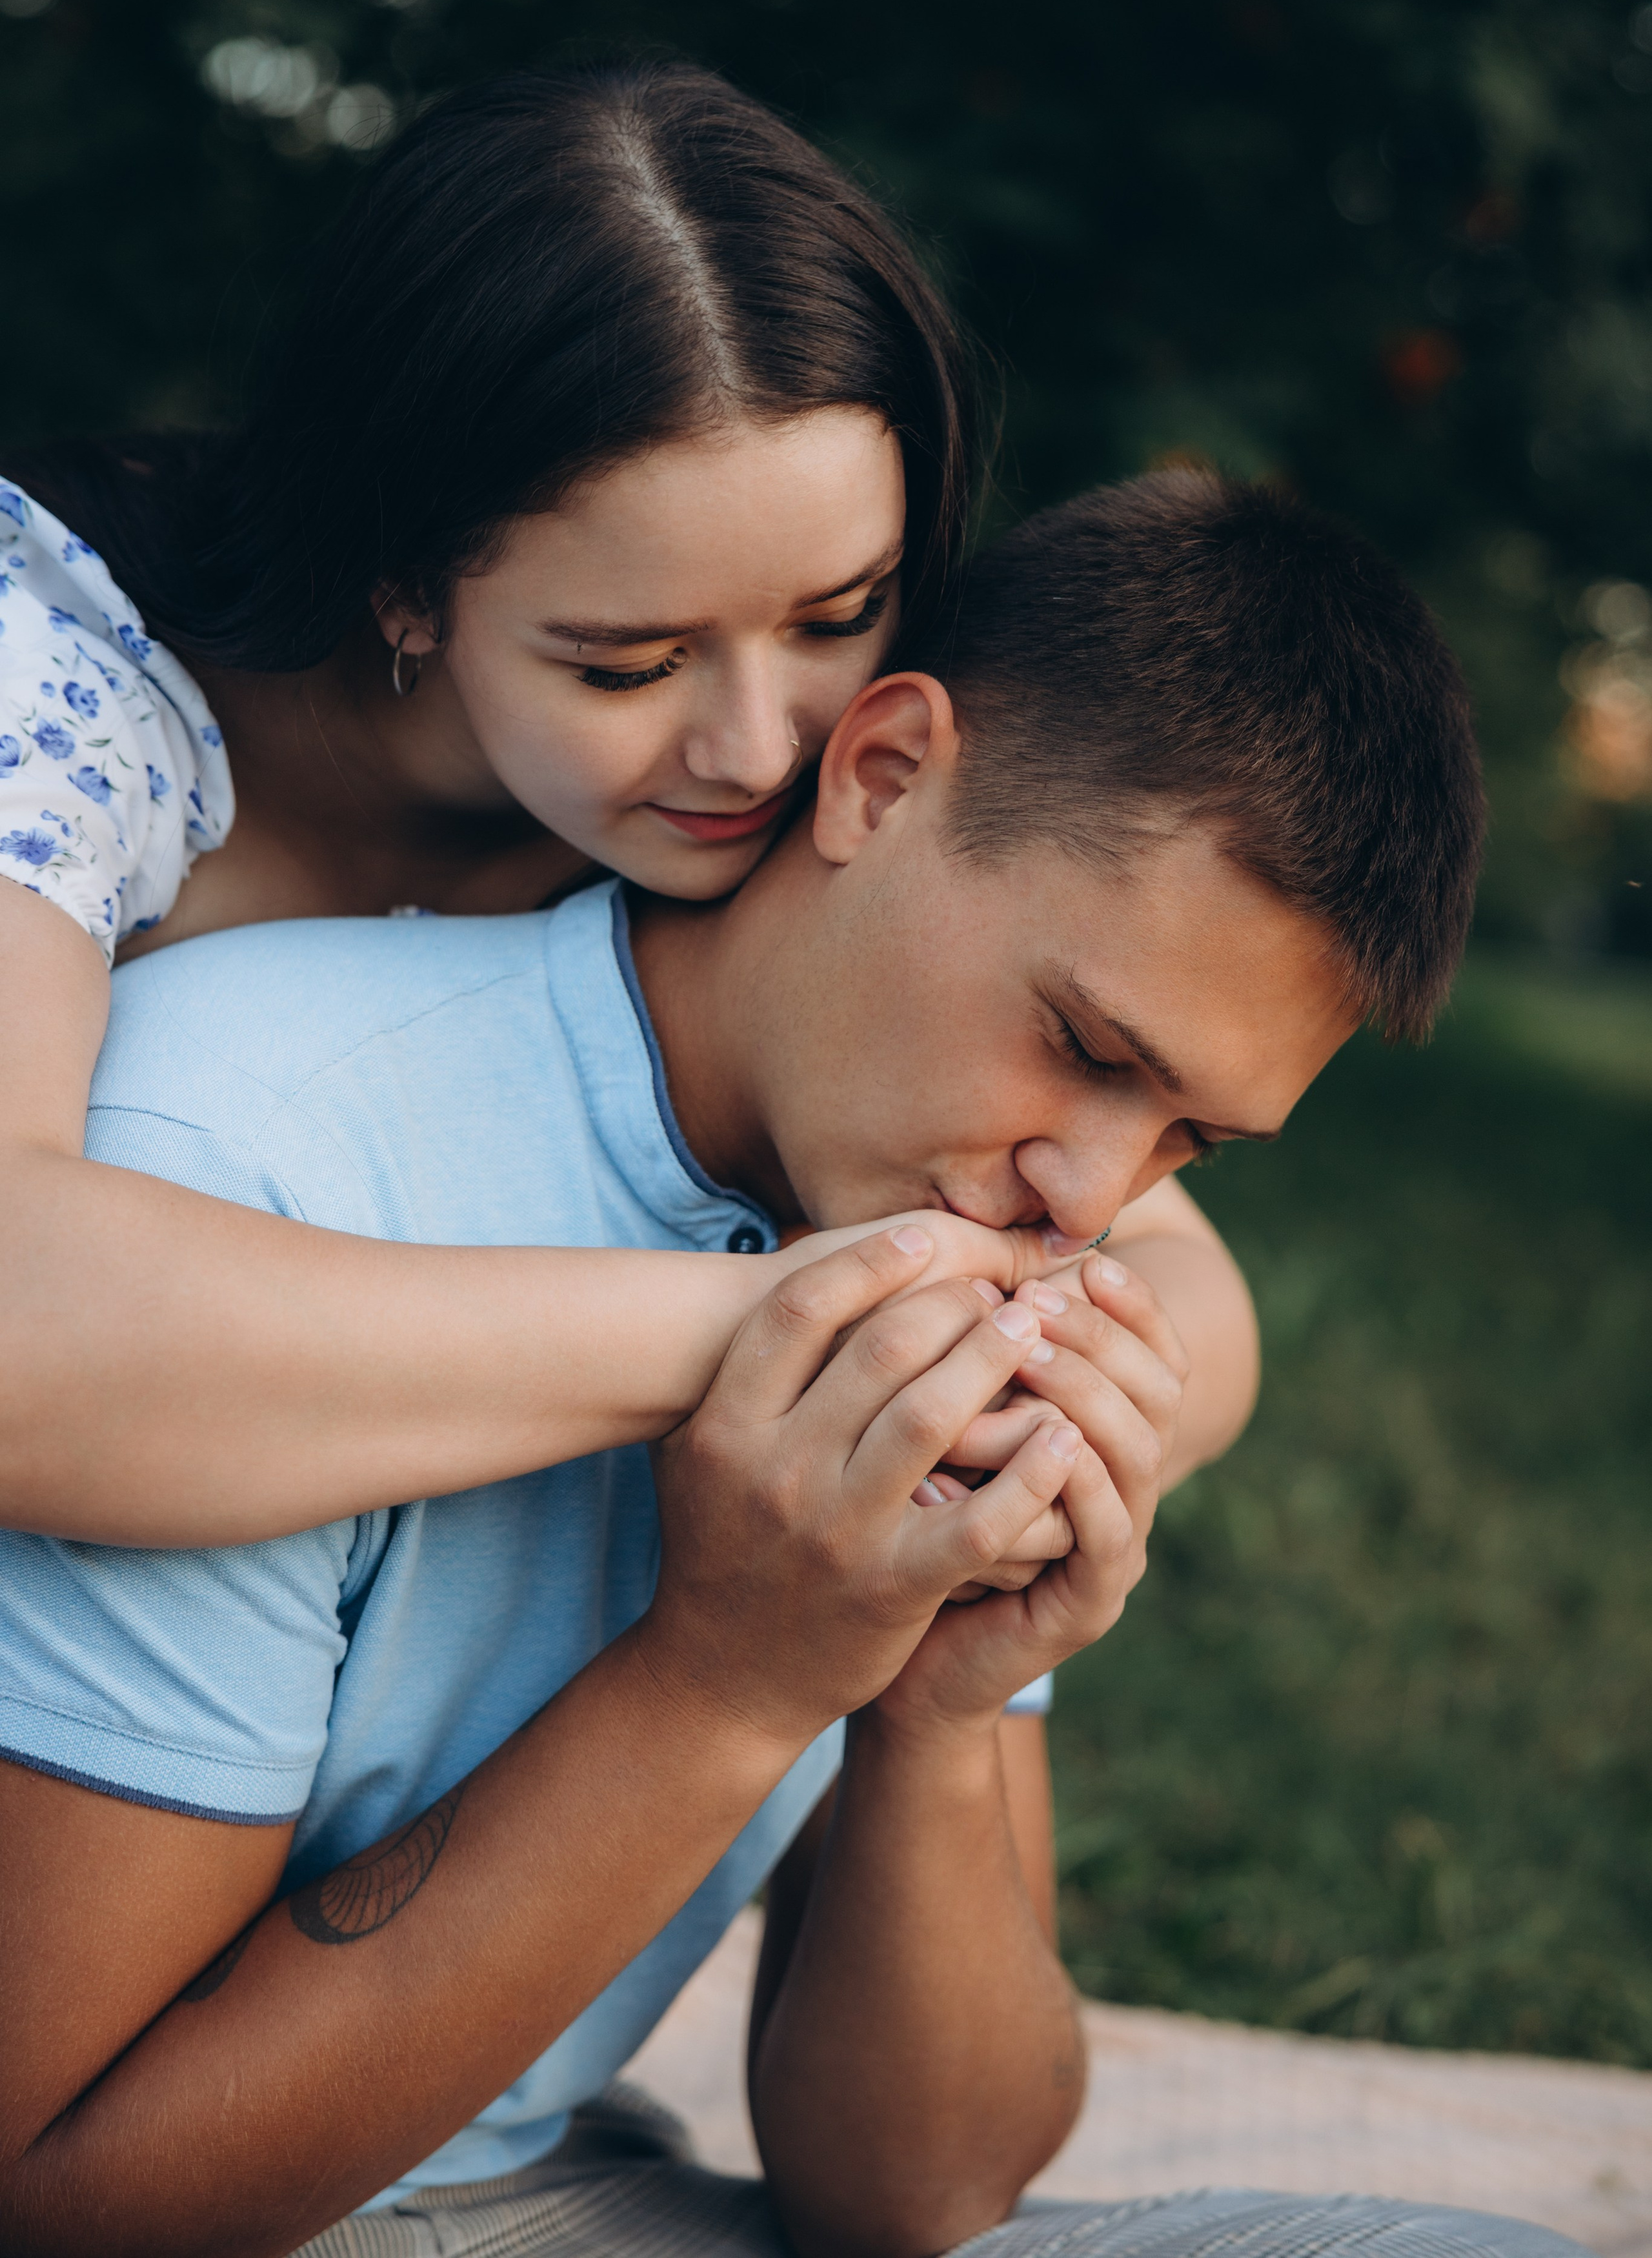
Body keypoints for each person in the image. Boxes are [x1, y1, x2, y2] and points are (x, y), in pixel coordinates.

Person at [0, 472, 1544, 2258]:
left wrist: (935, 1705)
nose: (1089, 1201)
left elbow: (923, 2202)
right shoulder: (251, 1157)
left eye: (1193, 1138)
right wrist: (725, 1685)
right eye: (1081, 1045)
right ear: (880, 779)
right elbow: (61, 2203)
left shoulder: (948, 1241)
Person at [0, 56, 1254, 1548]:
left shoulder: (832, 760)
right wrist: (766, 1331)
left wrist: (1046, 1407)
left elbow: (1195, 1301)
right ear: (402, 577)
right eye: (629, 664)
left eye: (836, 610)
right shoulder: (58, 696)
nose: (751, 750)